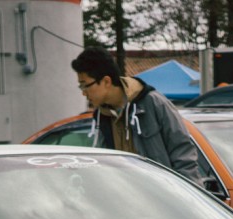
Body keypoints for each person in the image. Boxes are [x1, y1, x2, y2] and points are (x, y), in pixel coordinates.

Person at [70, 48, 200, 183]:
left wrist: (190, 199)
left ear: (106, 81)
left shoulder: (152, 103)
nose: (84, 93)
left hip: (163, 197)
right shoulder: (101, 117)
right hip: (129, 200)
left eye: (85, 86)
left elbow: (184, 156)